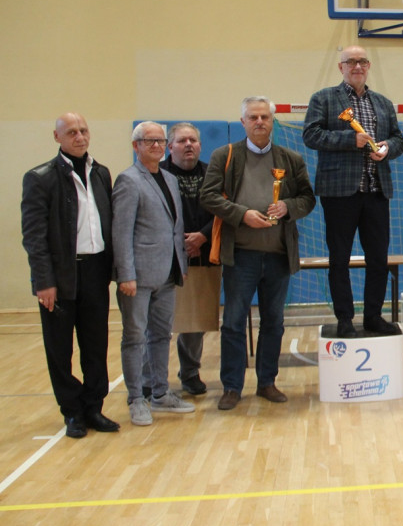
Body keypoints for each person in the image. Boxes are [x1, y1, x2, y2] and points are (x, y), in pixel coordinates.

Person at [201, 97, 315, 411]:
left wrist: (288, 207)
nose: (260, 122)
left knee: (274, 323)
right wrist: (241, 215)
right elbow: (208, 196)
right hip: (241, 257)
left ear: (273, 121)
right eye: (253, 117)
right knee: (234, 322)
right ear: (243, 122)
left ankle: (267, 382)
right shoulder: (224, 156)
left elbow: (308, 198)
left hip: (278, 255)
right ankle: (232, 386)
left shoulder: (290, 159)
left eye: (265, 117)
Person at [21, 112, 120, 438]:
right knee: (60, 348)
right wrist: (43, 281)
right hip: (60, 275)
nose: (79, 137)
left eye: (83, 130)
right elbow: (34, 237)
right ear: (57, 137)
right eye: (72, 132)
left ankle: (94, 407)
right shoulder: (41, 177)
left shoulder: (101, 173)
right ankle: (72, 411)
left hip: (95, 271)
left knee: (96, 345)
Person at [303, 46, 403, 337]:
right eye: (351, 62)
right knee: (340, 259)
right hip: (339, 192)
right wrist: (351, 140)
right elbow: (310, 135)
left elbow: (399, 139)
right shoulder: (323, 98)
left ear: (368, 65)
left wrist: (386, 149)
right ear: (341, 67)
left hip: (376, 190)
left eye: (362, 61)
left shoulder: (383, 103)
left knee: (378, 258)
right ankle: (345, 318)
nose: (357, 66)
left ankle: (373, 316)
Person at [113, 122, 192, 426]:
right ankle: (136, 399)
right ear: (136, 146)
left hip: (167, 272)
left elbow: (175, 226)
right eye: (150, 141)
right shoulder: (128, 181)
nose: (157, 146)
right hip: (138, 276)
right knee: (134, 338)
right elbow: (121, 233)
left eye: (160, 140)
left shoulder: (169, 179)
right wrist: (126, 274)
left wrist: (180, 263)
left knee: (161, 335)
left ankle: (161, 393)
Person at [161, 122, 215, 395]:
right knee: (159, 323)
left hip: (203, 256)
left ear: (200, 145)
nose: (189, 145)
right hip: (166, 260)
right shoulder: (157, 175)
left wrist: (202, 237)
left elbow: (222, 210)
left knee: (195, 323)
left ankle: (190, 373)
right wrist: (180, 243)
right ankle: (153, 380)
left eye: (193, 140)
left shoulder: (212, 174)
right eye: (182, 141)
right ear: (170, 147)